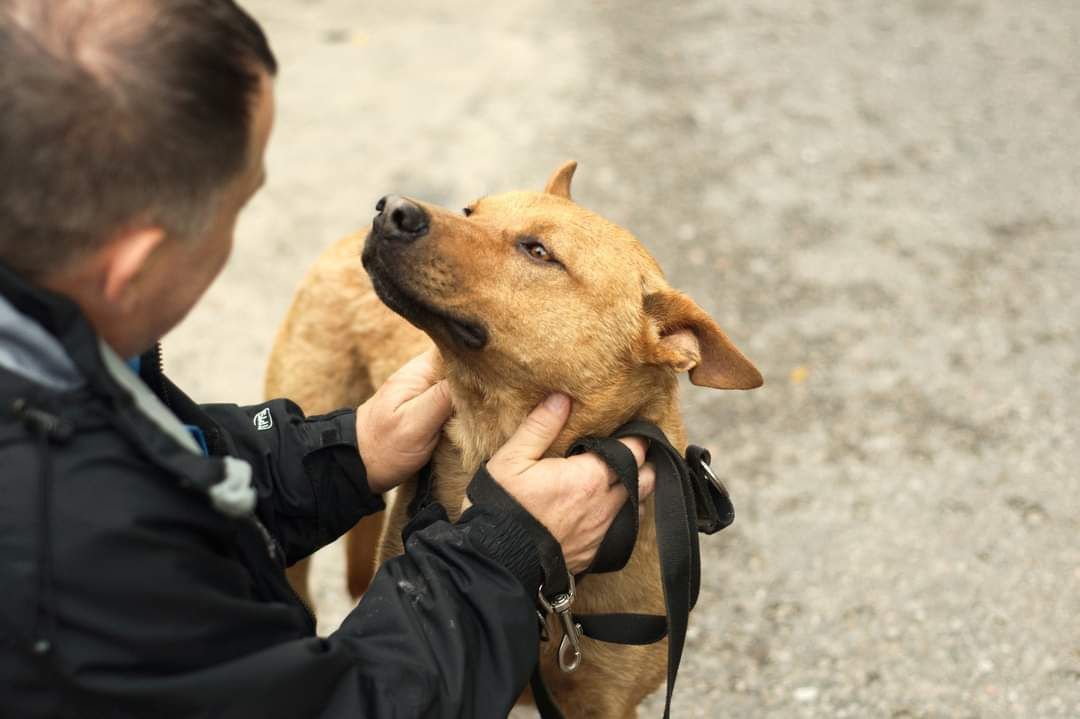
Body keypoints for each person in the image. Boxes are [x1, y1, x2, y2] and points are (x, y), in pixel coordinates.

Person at [0, 1, 656, 717]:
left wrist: (340, 452)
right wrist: (508, 550)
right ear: (132, 268)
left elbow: (155, 455)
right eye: (237, 209)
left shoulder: (49, 379)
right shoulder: (88, 558)